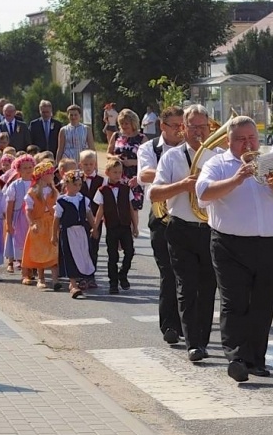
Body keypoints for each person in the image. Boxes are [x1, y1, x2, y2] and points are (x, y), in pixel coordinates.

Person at [198, 117, 273, 382]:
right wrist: (236, 179)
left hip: (271, 244)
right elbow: (203, 195)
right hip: (230, 245)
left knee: (263, 303)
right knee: (234, 303)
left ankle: (256, 359)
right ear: (228, 141)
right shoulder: (217, 163)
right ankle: (236, 358)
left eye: (252, 138)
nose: (248, 143)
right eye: (241, 139)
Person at [152, 105, 219, 362]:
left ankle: (202, 339)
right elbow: (154, 194)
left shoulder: (217, 155)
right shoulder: (171, 157)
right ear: (184, 128)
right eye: (194, 127)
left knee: (208, 288)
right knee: (186, 287)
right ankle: (193, 343)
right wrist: (183, 185)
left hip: (211, 229)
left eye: (204, 126)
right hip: (180, 228)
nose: (199, 132)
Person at [138, 106, 185, 345]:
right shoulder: (150, 148)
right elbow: (145, 175)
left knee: (190, 274)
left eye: (182, 124)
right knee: (168, 271)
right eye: (175, 125)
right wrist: (173, 175)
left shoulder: (191, 147)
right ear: (162, 126)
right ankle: (170, 325)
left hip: (189, 216)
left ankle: (188, 322)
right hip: (162, 217)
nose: (180, 130)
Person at [92, 155, 138, 295]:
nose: (118, 175)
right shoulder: (102, 190)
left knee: (129, 251)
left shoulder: (126, 189)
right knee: (112, 256)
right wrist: (95, 227)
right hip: (112, 226)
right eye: (115, 172)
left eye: (120, 172)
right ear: (107, 173)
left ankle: (122, 274)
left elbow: (131, 208)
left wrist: (135, 226)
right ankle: (113, 283)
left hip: (125, 226)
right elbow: (100, 210)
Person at [56, 170, 99, 299]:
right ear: (67, 185)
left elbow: (89, 215)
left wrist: (94, 228)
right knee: (69, 255)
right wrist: (54, 235)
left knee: (83, 255)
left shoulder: (83, 200)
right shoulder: (62, 201)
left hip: (81, 231)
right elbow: (56, 219)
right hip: (68, 232)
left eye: (79, 185)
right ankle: (73, 284)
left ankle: (82, 279)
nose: (78, 187)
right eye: (75, 184)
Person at [21, 162, 61, 289]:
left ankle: (55, 280)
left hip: (51, 223)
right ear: (42, 176)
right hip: (39, 224)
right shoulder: (32, 192)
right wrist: (32, 223)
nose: (52, 176)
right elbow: (28, 210)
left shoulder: (53, 191)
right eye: (49, 174)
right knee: (40, 251)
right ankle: (41, 278)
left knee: (54, 251)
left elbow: (58, 207)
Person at [3, 154, 35, 275]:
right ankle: (22, 266)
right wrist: (9, 222)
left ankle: (32, 265)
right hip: (19, 217)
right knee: (19, 240)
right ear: (19, 170)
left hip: (32, 216)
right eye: (24, 168)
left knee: (32, 240)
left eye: (30, 167)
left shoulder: (36, 183)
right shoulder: (15, 185)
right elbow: (10, 205)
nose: (28, 170)